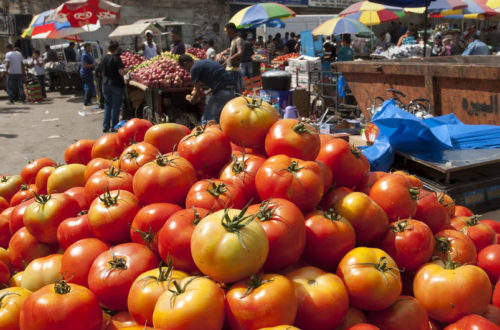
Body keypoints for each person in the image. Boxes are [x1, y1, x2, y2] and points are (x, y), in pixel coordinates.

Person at [178, 54, 236, 123]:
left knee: (206, 120)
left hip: (222, 93)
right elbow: (219, 81)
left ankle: (206, 132)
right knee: (219, 119)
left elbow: (197, 91)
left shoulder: (194, 68)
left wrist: (193, 101)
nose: (186, 71)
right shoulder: (204, 62)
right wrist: (206, 93)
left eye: (184, 68)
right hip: (232, 91)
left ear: (185, 63)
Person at [101, 40, 128, 133]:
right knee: (116, 106)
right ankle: (115, 126)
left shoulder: (104, 57)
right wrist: (129, 69)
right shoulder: (116, 58)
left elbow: (99, 69)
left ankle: (105, 126)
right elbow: (121, 72)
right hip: (115, 84)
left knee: (107, 105)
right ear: (116, 48)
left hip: (105, 84)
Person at [224, 23, 244, 93]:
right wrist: (225, 62)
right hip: (230, 69)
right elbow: (232, 54)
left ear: (231, 30)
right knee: (233, 89)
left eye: (226, 31)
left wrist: (231, 59)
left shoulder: (239, 40)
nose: (226, 33)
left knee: (233, 90)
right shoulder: (233, 40)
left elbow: (240, 52)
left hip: (233, 70)